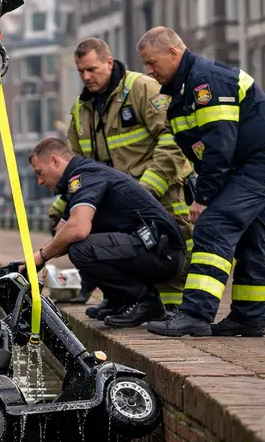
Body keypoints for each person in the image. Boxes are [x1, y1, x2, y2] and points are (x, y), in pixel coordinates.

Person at [138, 27, 265, 337]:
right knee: (250, 238)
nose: (149, 71)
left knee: (214, 225)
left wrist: (204, 198)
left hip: (257, 162)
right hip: (244, 165)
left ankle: (196, 314)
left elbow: (219, 144)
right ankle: (248, 318)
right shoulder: (182, 88)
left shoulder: (205, 82)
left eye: (152, 62)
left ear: (174, 53)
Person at [50, 38, 194, 314]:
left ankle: (175, 311)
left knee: (170, 247)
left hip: (160, 191)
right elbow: (79, 165)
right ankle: (122, 300)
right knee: (113, 249)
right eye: (80, 71)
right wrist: (62, 205)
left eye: (91, 69)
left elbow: (172, 138)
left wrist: (147, 188)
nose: (85, 77)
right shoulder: (82, 109)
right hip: (118, 203)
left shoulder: (141, 88)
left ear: (109, 62)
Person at [17, 137, 187, 327]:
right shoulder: (77, 179)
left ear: (55, 161)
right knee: (74, 243)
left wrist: (42, 256)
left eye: (39, 173)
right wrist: (33, 260)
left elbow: (78, 229)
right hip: (151, 249)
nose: (40, 181)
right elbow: (62, 231)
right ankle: (120, 300)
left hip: (163, 253)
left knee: (81, 249)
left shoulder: (85, 176)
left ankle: (145, 301)